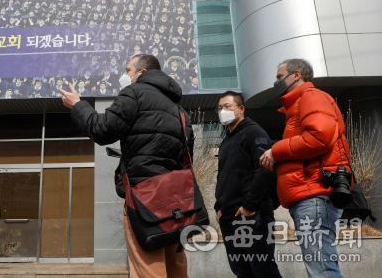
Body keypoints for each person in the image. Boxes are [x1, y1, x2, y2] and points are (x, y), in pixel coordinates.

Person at [60, 54, 192, 278]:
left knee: (148, 266)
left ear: (141, 73)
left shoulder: (134, 93)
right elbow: (187, 158)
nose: (125, 75)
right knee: (175, 265)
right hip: (177, 199)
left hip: (144, 195)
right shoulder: (180, 112)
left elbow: (102, 130)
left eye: (128, 70)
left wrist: (78, 105)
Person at [260, 59, 352, 278]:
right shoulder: (300, 104)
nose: (276, 82)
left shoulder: (311, 96)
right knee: (321, 265)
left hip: (315, 193)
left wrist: (276, 151)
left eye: (280, 77)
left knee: (321, 268)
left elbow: (319, 137)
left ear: (297, 74)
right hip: (311, 194)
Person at [214, 91, 282, 278]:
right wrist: (219, 207)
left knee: (263, 270)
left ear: (241, 109)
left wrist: (249, 206)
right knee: (242, 271)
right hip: (229, 216)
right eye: (219, 108)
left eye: (227, 106)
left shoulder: (254, 132)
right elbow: (223, 177)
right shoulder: (227, 139)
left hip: (252, 215)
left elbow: (264, 170)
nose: (222, 111)